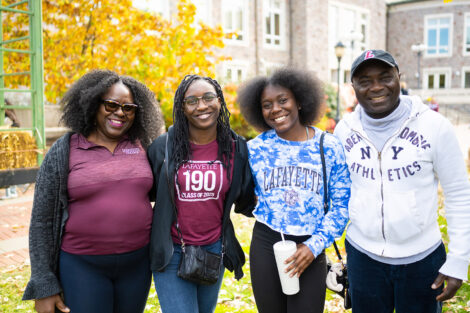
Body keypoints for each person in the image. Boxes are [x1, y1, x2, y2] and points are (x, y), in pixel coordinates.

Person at [334, 49, 470, 313]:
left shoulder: (434, 126)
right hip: (363, 257)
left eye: (385, 77)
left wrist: (459, 259)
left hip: (422, 261)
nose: (376, 87)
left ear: (399, 77)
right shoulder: (344, 130)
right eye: (365, 81)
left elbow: (459, 195)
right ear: (353, 88)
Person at [22, 69, 164, 313]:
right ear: (92, 104)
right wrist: (44, 284)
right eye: (110, 104)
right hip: (82, 266)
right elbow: (42, 220)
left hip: (137, 265)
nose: (120, 112)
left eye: (128, 107)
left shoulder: (143, 146)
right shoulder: (65, 149)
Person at [237, 67, 351, 313]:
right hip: (267, 243)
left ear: (299, 101)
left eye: (282, 100)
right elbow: (239, 191)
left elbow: (341, 207)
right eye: (267, 104)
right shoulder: (255, 149)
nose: (275, 109)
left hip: (311, 245)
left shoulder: (328, 146)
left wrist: (313, 246)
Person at [147, 74, 256, 313]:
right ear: (182, 108)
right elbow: (147, 194)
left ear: (219, 101)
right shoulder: (162, 147)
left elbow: (247, 200)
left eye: (208, 97)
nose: (202, 106)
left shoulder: (236, 149)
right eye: (192, 101)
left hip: (214, 249)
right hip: (172, 251)